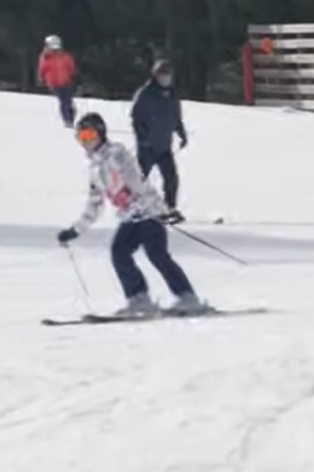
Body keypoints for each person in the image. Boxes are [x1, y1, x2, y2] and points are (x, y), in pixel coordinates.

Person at [57, 112, 207, 318]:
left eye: (90, 135)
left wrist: (155, 208)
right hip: (129, 218)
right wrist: (75, 230)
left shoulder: (116, 154)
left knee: (158, 256)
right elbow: (95, 204)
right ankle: (139, 299)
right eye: (82, 137)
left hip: (148, 213)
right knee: (119, 253)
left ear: (100, 133)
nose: (87, 141)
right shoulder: (95, 169)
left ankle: (188, 298)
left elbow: (135, 179)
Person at [130, 58, 189, 223]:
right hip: (147, 147)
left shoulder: (172, 95)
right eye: (162, 76)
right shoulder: (146, 93)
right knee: (140, 179)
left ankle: (170, 207)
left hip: (164, 146)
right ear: (155, 76)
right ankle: (134, 208)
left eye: (168, 76)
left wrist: (182, 134)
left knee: (171, 178)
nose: (165, 79)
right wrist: (143, 138)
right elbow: (136, 118)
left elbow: (176, 117)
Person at [37, 34, 79, 127]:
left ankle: (70, 116)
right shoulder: (46, 57)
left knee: (68, 101)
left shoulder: (65, 56)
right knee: (64, 101)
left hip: (66, 81)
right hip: (54, 83)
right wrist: (41, 78)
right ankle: (67, 119)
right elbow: (42, 68)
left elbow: (71, 65)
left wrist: (73, 74)